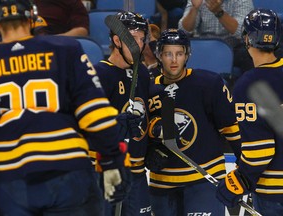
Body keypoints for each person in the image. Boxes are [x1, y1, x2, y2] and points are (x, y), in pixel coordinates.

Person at [0, 0, 131, 215]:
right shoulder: (65, 49)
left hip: (10, 180)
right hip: (67, 169)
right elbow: (94, 112)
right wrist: (111, 160)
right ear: (32, 18)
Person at [145, 28, 242, 216]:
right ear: (159, 55)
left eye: (179, 53)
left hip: (204, 180)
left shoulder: (209, 84)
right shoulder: (148, 88)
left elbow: (232, 129)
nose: (174, 60)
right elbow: (138, 132)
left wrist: (244, 172)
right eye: (168, 54)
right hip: (162, 183)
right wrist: (152, 136)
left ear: (187, 55)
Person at [216, 9, 283, 216]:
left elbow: (259, 153)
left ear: (247, 38)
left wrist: (238, 181)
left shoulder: (249, 84)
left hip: (274, 191)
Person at [94, 11, 152, 216]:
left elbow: (148, 116)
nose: (138, 44)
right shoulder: (99, 74)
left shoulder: (142, 73)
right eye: (132, 38)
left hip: (136, 173)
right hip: (105, 173)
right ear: (117, 40)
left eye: (141, 38)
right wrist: (114, 125)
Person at [178, 0, 254, 75]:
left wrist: (219, 12)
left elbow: (242, 32)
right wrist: (194, 9)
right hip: (203, 48)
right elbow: (183, 31)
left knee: (251, 54)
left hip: (233, 48)